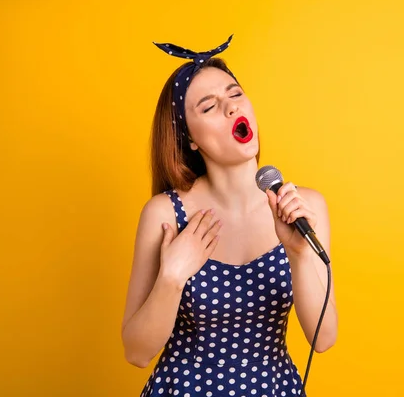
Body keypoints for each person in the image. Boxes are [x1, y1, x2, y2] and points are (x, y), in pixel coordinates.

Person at [121, 35, 338, 397]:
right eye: (209, 107)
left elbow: (324, 338)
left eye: (235, 94)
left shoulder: (306, 208)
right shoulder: (165, 214)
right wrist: (172, 277)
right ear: (189, 138)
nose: (230, 108)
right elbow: (136, 352)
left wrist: (299, 255)